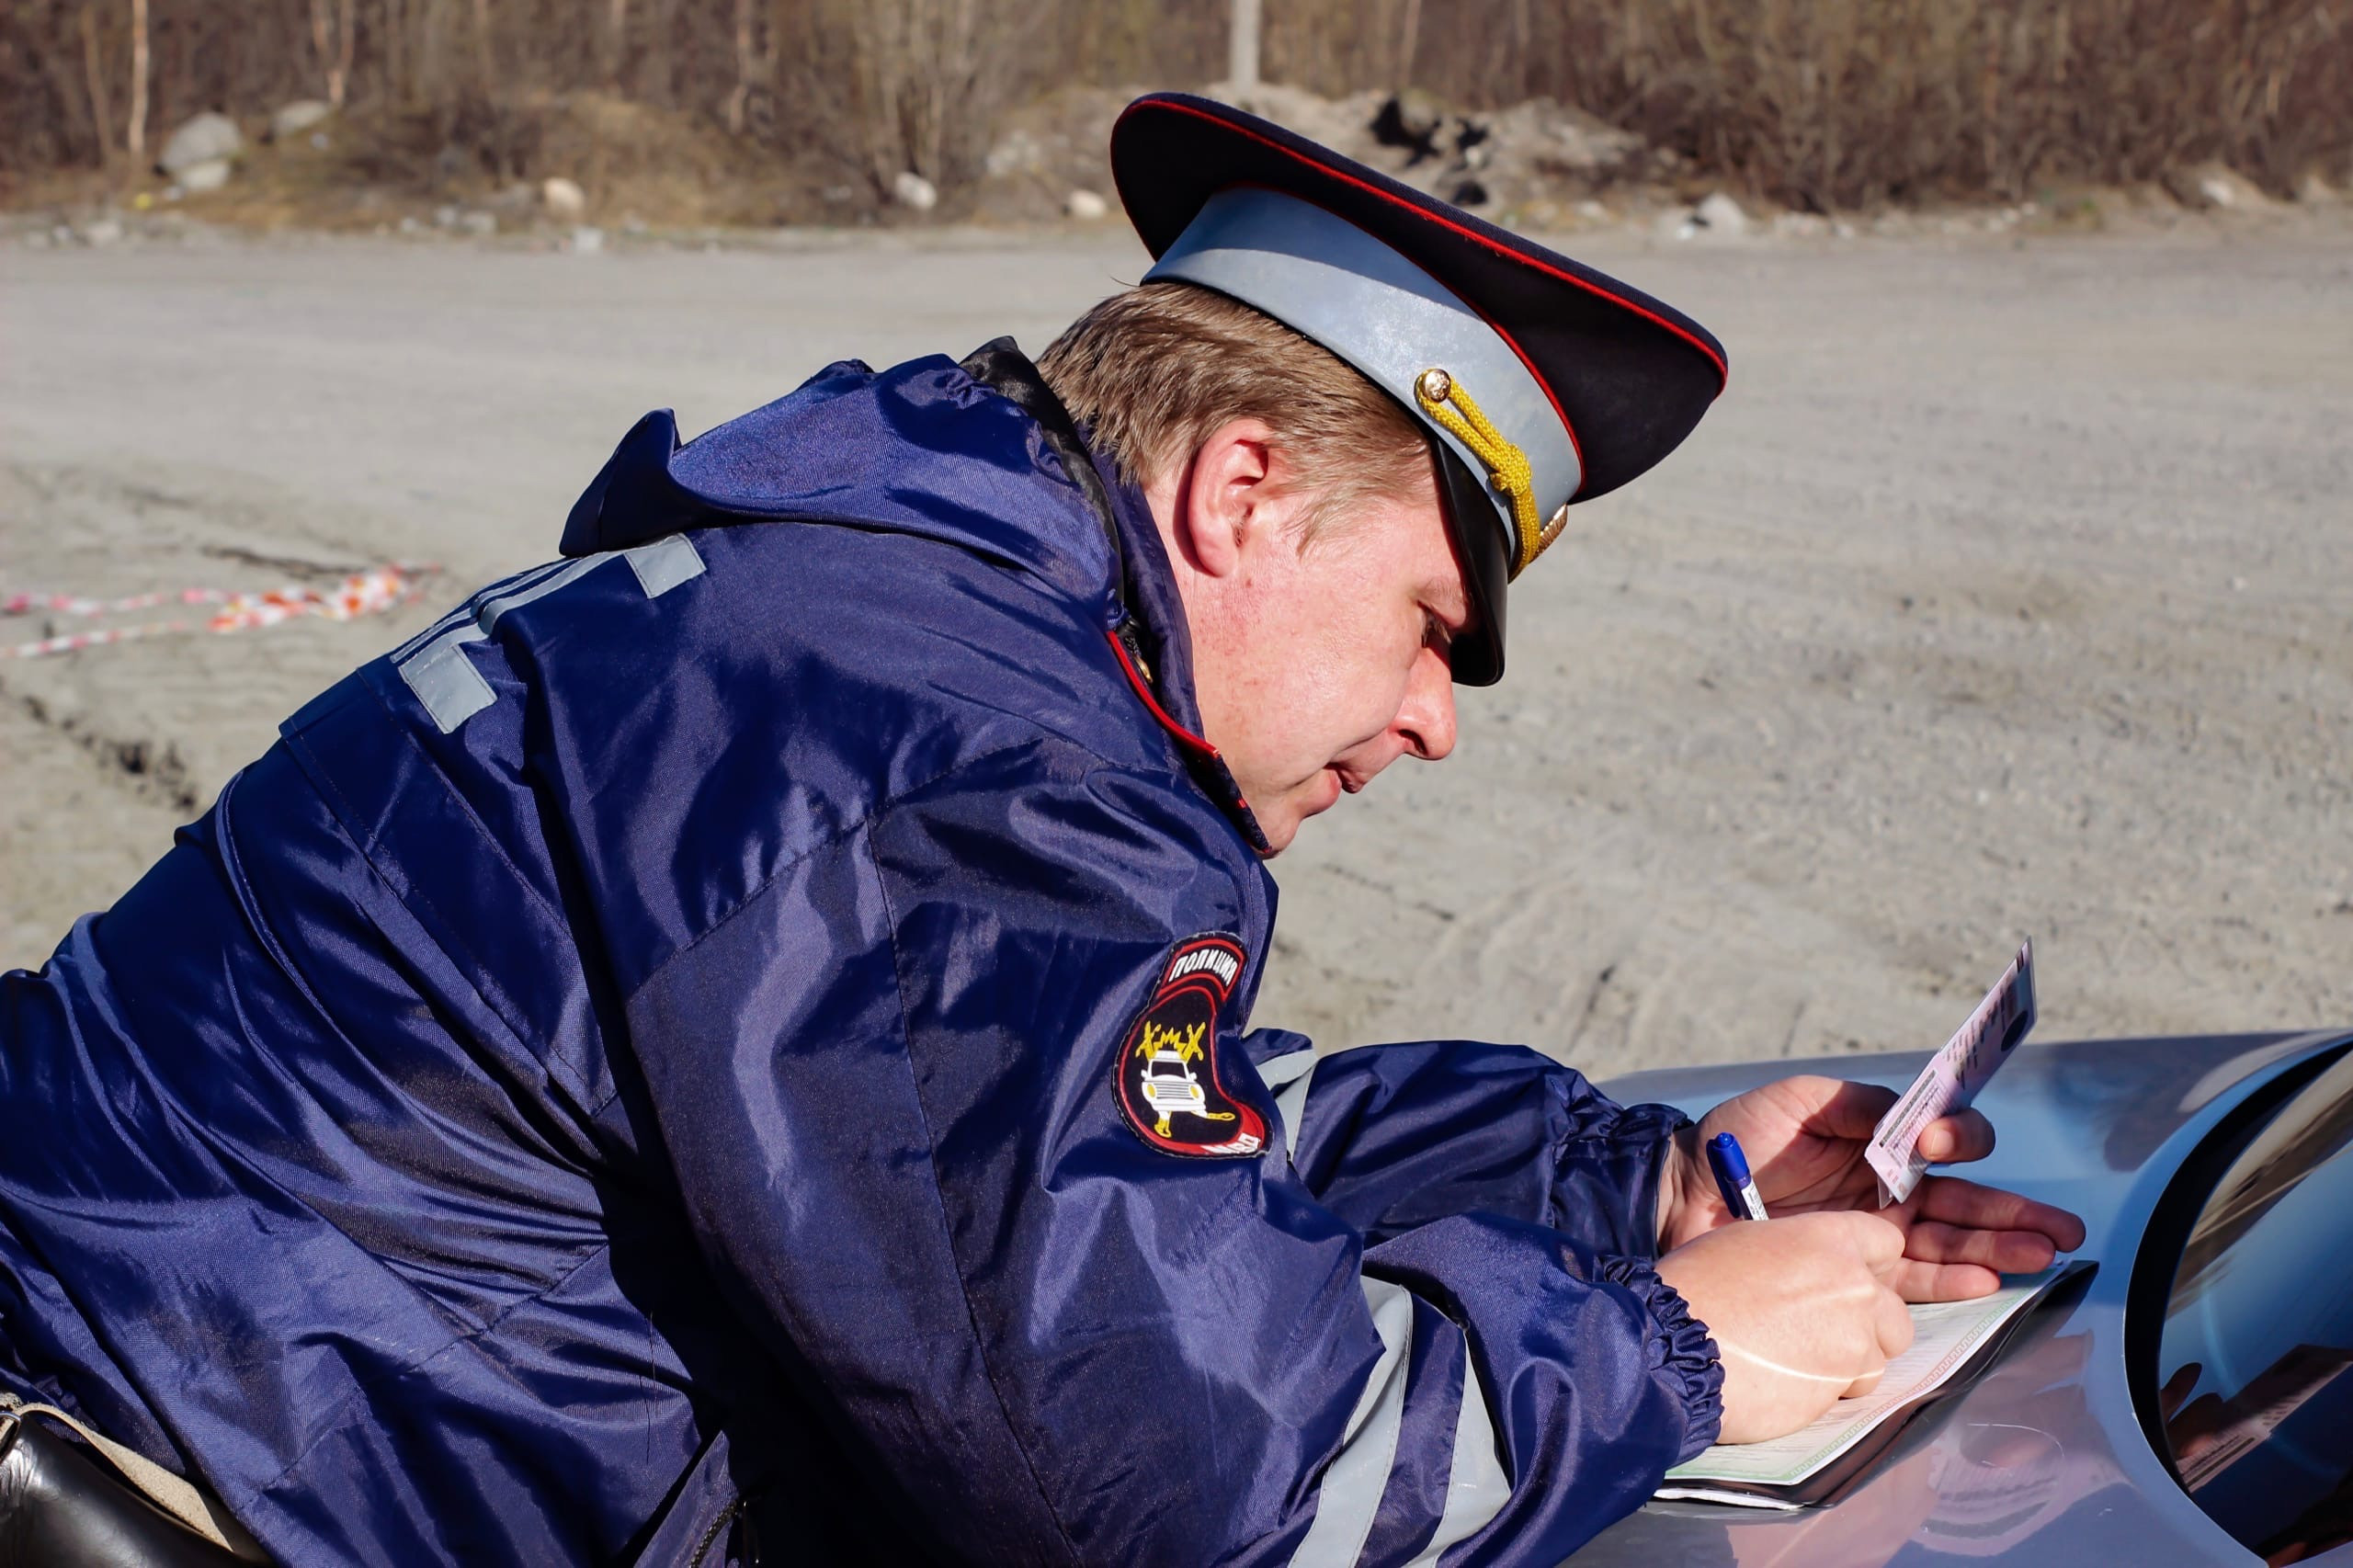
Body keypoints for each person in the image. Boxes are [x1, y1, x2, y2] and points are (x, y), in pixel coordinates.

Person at [0, 94, 2082, 1566]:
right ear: (1242, 496)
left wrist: (1627, 1179)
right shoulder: (970, 761)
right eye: (1433, 627)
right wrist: (1664, 1356)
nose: (1433, 722)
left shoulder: (873, 611)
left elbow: (1076, 1157)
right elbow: (1178, 1498)